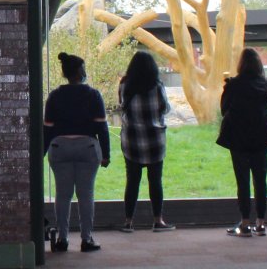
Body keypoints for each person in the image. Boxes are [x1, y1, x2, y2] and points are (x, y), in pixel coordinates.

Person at [43, 52, 110, 253]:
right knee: (85, 194)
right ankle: (86, 239)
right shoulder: (93, 95)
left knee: (63, 195)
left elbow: (48, 128)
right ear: (81, 72)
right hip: (87, 148)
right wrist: (106, 154)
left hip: (59, 147)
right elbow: (102, 128)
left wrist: (42, 152)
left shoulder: (54, 96)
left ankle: (62, 240)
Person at [216, 47, 267, 237]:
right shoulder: (266, 84)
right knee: (261, 179)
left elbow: (224, 109)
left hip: (238, 136)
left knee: (242, 180)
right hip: (260, 134)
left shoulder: (233, 84)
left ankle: (245, 223)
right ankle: (262, 223)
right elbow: (266, 107)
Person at [117, 51, 172, 234]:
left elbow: (122, 105)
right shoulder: (156, 86)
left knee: (132, 181)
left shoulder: (124, 85)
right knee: (155, 181)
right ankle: (158, 221)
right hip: (154, 139)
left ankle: (128, 222)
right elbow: (165, 108)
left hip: (131, 139)